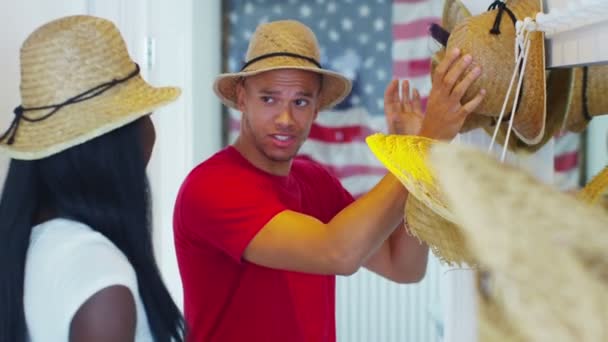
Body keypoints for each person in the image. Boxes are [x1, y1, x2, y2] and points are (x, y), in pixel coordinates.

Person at [173, 20, 485, 341]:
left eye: (301, 102)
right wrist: (423, 146)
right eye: (269, 99)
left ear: (317, 107)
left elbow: (402, 266)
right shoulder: (211, 186)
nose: (285, 118)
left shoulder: (315, 181)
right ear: (242, 98)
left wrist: (421, 159)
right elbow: (338, 253)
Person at [0, 15, 186, 342]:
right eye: (144, 114)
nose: (150, 128)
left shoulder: (30, 245)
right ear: (114, 142)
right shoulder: (98, 271)